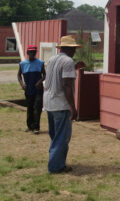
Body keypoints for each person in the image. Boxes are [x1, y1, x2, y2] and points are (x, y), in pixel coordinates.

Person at [42, 35, 79, 174]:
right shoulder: (68, 61)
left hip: (49, 101)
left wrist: (75, 67)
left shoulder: (52, 59)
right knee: (62, 137)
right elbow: (67, 85)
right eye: (74, 49)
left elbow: (57, 75)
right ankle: (56, 166)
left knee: (55, 135)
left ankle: (56, 161)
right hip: (60, 103)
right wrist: (73, 107)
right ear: (69, 49)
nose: (75, 51)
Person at [17, 44, 45, 134]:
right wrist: (22, 84)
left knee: (37, 107)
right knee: (29, 108)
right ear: (27, 52)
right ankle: (30, 126)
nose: (32, 53)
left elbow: (45, 75)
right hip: (28, 89)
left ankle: (36, 127)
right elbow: (19, 75)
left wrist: (40, 81)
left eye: (34, 52)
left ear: (36, 52)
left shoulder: (40, 63)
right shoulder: (22, 64)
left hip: (38, 89)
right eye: (31, 52)